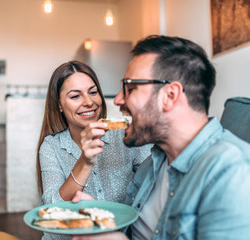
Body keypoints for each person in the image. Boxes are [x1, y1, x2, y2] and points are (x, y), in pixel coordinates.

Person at [71, 35, 250, 240]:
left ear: (170, 96)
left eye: (129, 88)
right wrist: (101, 221)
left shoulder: (233, 175)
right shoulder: (154, 162)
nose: (118, 99)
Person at [36, 61, 152, 240]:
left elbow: (153, 183)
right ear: (59, 105)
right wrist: (85, 161)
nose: (89, 102)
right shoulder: (51, 147)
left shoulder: (126, 135)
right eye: (75, 96)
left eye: (93, 92)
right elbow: (53, 210)